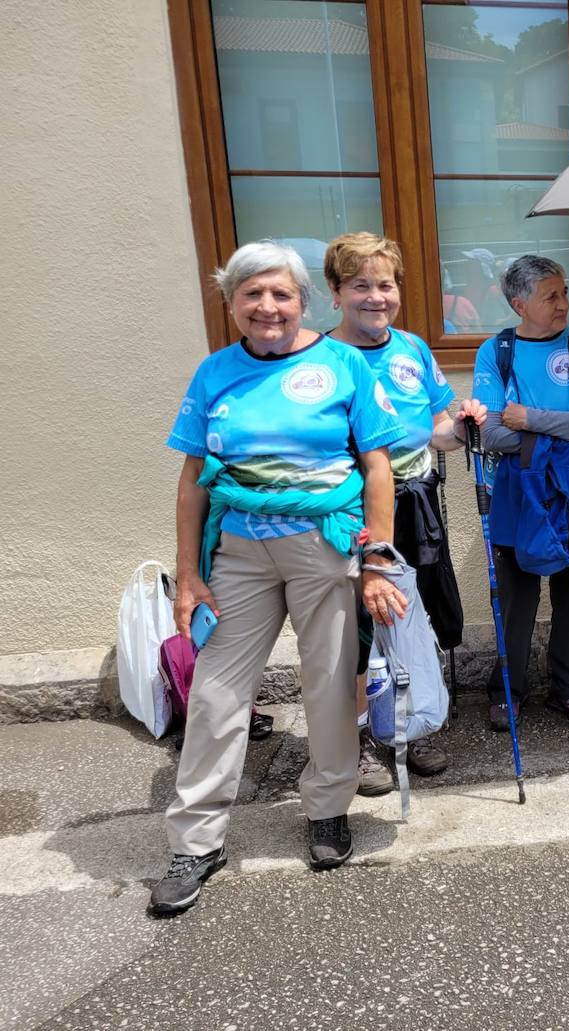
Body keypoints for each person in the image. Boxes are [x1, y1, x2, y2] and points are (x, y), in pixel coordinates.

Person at [150, 240, 407, 917]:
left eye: (280, 294)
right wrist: (187, 574)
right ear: (232, 303)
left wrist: (378, 558)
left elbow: (378, 467)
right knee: (215, 692)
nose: (267, 306)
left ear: (303, 300)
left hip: (322, 545)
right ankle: (197, 840)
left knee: (328, 684)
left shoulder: (343, 363)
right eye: (252, 294)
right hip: (237, 550)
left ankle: (327, 809)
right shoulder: (214, 372)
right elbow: (191, 479)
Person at [322, 231, 487, 796]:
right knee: (359, 631)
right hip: (352, 514)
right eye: (360, 285)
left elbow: (438, 432)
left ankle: (412, 728)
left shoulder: (413, 350)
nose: (375, 297)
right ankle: (365, 739)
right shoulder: (324, 359)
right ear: (336, 292)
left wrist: (465, 424)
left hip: (415, 504)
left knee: (412, 617)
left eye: (385, 284)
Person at [471, 255, 569, 730]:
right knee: (517, 596)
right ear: (519, 304)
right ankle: (507, 691)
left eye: (564, 292)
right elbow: (492, 435)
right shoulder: (497, 351)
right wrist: (568, 439)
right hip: (516, 491)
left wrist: (529, 420)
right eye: (551, 296)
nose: (563, 303)